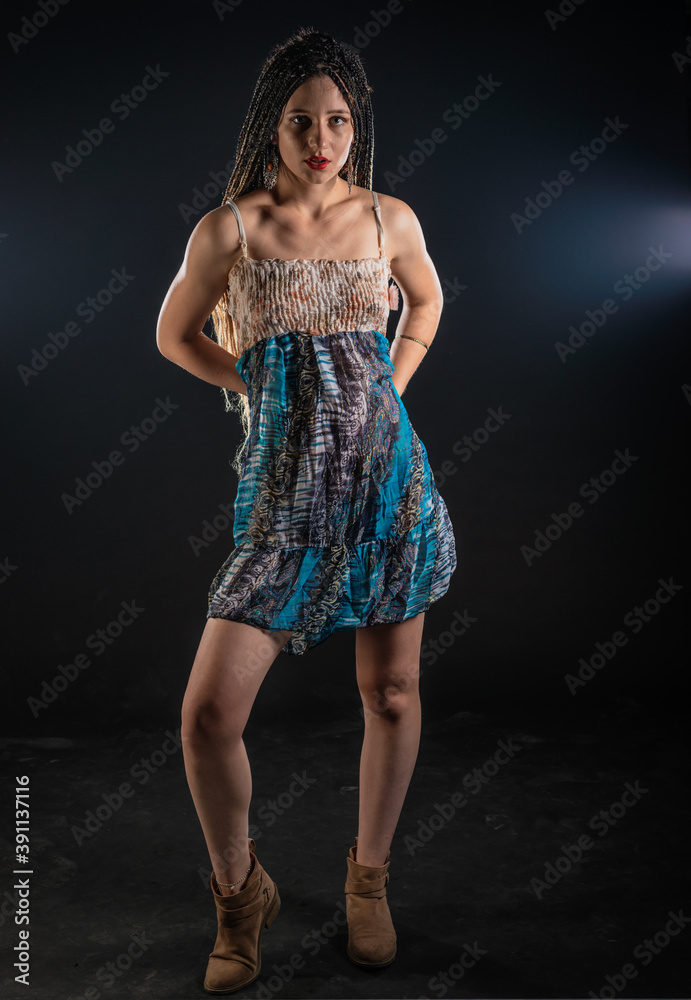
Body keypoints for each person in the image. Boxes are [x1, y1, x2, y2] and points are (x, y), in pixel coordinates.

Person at [156, 26, 457, 996]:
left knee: (393, 694)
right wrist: (253, 384)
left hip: (386, 482)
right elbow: (174, 334)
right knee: (207, 714)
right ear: (270, 127)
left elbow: (427, 305)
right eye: (299, 121)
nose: (320, 137)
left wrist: (390, 391)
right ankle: (240, 897)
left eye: (336, 120)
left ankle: (367, 882)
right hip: (284, 498)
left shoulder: (388, 220)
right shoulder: (231, 230)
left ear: (355, 127)